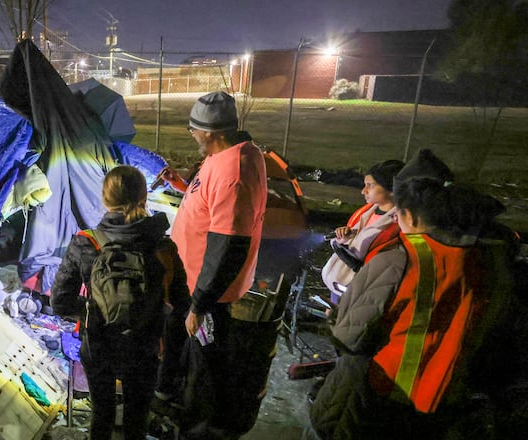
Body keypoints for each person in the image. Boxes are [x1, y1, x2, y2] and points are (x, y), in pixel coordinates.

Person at [309, 149, 520, 439]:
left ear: (409, 213)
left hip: (385, 392)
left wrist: (337, 319)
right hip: (449, 400)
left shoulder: (400, 258)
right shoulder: (493, 257)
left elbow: (349, 336)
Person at [50, 165, 190, 440]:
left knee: (101, 416)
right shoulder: (163, 247)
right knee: (136, 421)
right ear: (143, 198)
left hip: (99, 344)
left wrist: (94, 310)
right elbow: (182, 302)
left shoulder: (86, 243)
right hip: (145, 347)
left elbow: (60, 302)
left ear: (105, 200)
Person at [167, 91, 269, 439]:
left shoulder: (233, 172)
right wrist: (181, 185)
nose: (192, 135)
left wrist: (200, 303)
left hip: (207, 289)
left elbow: (229, 244)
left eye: (193, 130)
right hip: (197, 282)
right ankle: (187, 406)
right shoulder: (228, 154)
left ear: (210, 133)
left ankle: (198, 429)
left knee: (204, 366)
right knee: (197, 357)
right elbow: (209, 202)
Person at [321, 159, 405, 304]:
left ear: (391, 190)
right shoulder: (366, 211)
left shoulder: (398, 226)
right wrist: (344, 238)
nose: (363, 191)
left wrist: (356, 265)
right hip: (340, 287)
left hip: (357, 296)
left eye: (370, 186)